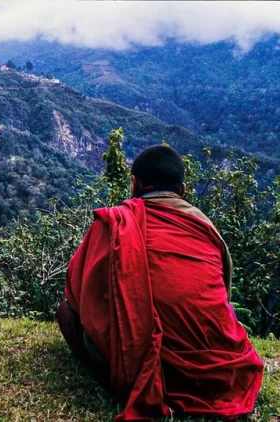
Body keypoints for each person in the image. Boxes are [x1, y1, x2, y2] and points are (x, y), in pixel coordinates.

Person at [57, 145, 264, 421]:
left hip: (143, 370)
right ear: (184, 189)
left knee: (66, 313)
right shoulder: (206, 228)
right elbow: (222, 297)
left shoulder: (115, 222)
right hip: (221, 373)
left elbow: (76, 290)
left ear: (134, 183)